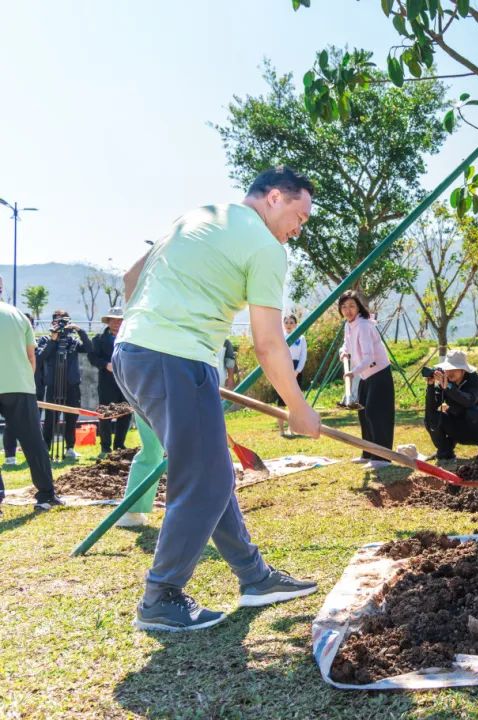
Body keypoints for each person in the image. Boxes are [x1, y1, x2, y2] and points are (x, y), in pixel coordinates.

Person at [113, 165, 322, 632]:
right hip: (175, 359)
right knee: (205, 480)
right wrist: (297, 405)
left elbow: (132, 278)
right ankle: (161, 597)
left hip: (133, 353)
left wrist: (155, 326)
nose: (298, 229)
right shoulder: (266, 248)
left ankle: (254, 576)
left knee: (209, 472)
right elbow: (268, 343)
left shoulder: (200, 215)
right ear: (273, 197)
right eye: (299, 215)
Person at [0, 284, 62, 512]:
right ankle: (46, 495)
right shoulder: (17, 314)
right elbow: (31, 356)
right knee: (33, 442)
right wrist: (27, 382)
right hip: (19, 385)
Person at [338, 290, 394, 466]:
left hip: (379, 373)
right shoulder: (349, 325)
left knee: (376, 413)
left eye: (352, 306)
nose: (348, 310)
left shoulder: (363, 325)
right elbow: (347, 343)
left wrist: (352, 372)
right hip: (365, 375)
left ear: (358, 307)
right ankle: (368, 454)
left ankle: (382, 457)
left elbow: (369, 357)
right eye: (344, 307)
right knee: (363, 413)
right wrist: (343, 351)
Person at [424, 350, 478, 462]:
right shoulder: (444, 380)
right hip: (457, 425)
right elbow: (431, 408)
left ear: (463, 370)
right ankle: (445, 452)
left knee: (473, 412)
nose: (450, 372)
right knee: (431, 417)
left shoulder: (476, 380)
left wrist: (448, 388)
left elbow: (469, 401)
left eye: (454, 369)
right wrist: (431, 386)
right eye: (448, 369)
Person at [40, 309, 91, 459]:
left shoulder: (73, 341)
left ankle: (70, 448)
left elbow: (89, 348)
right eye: (57, 320)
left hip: (72, 385)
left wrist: (79, 330)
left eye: (64, 321)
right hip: (53, 385)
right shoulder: (45, 340)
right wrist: (53, 340)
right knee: (51, 418)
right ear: (52, 322)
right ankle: (46, 448)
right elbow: (41, 357)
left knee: (71, 417)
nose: (61, 324)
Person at [4, 313, 45, 466]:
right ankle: (10, 454)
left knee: (30, 430)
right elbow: (31, 357)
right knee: (17, 427)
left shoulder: (39, 340)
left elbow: (35, 357)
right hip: (20, 385)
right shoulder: (17, 322)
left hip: (28, 385)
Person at [89, 307, 131, 457]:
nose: (116, 323)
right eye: (113, 320)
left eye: (119, 320)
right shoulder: (99, 339)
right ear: (108, 321)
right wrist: (105, 365)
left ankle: (119, 444)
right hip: (107, 381)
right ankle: (105, 447)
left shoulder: (129, 338)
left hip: (126, 381)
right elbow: (92, 358)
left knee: (126, 412)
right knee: (106, 413)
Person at [275, 314, 308, 436]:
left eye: (291, 322)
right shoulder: (280, 337)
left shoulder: (301, 338)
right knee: (281, 401)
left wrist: (297, 371)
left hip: (296, 370)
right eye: (286, 322)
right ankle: (281, 430)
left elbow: (303, 356)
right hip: (282, 369)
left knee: (294, 401)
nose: (289, 325)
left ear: (296, 324)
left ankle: (292, 429)